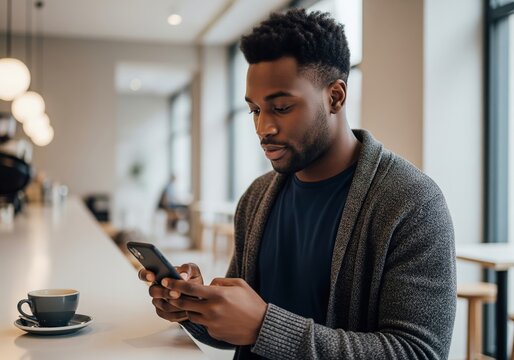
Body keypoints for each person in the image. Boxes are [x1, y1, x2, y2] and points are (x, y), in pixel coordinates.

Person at [139, 8, 456, 360]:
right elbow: (238, 333)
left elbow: (419, 352)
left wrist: (264, 326)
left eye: (282, 107)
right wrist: (197, 309)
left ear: (335, 97)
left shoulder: (411, 202)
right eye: (255, 110)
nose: (263, 128)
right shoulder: (257, 197)